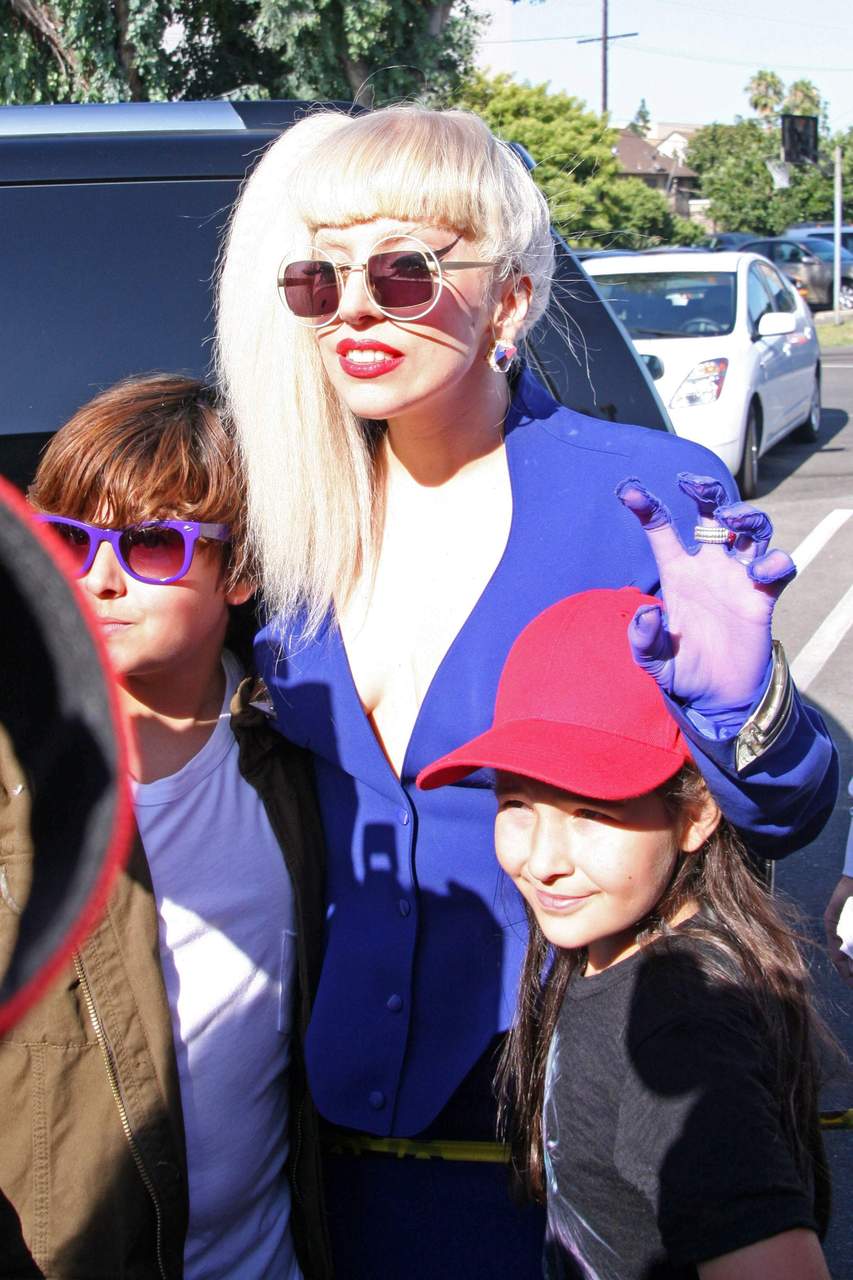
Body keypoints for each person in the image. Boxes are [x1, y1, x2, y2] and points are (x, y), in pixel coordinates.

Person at [215, 104, 838, 1275]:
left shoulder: (646, 498)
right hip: (331, 1165)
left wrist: (739, 709)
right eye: (319, 276)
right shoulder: (285, 527)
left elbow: (785, 810)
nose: (354, 307)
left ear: (508, 300)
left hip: (575, 1158)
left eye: (404, 271)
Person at [0, 376, 331, 1279]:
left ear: (243, 569)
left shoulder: (303, 754)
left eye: (152, 544)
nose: (100, 579)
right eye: (69, 540)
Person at [418, 586, 833, 1280]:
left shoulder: (679, 1029)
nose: (542, 860)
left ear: (695, 814)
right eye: (516, 802)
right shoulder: (612, 960)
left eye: (591, 812)